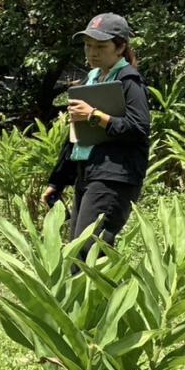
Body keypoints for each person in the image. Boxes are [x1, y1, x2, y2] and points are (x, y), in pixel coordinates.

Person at [42, 13, 150, 253]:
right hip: (88, 173)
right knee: (82, 252)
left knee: (86, 253)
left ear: (120, 47)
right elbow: (78, 137)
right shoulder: (91, 79)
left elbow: (139, 127)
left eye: (101, 46)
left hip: (114, 177)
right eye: (88, 45)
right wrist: (58, 181)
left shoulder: (129, 81)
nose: (92, 52)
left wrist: (95, 115)